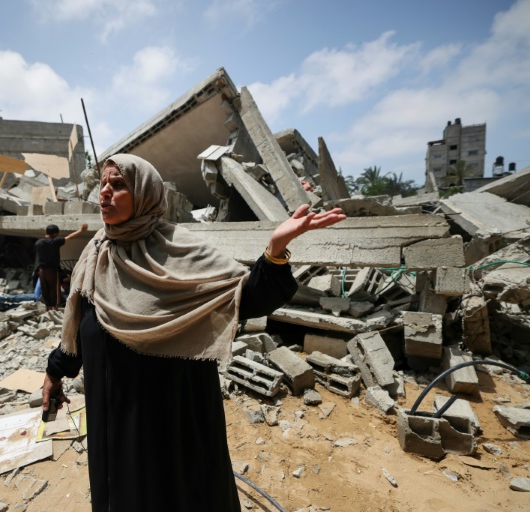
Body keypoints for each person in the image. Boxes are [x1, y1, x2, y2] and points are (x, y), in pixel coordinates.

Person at [42, 154, 346, 511]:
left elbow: (244, 298)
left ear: (145, 194)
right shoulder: (97, 253)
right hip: (113, 416)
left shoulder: (179, 251)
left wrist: (275, 251)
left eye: (119, 185)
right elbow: (79, 328)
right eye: (103, 185)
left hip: (170, 416)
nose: (105, 193)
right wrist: (55, 371)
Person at [34, 223, 88, 310]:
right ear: (55, 234)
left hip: (42, 271)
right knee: (54, 290)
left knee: (45, 289)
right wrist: (81, 230)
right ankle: (54, 308)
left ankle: (47, 308)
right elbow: (70, 237)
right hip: (52, 271)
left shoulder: (38, 243)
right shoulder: (55, 242)